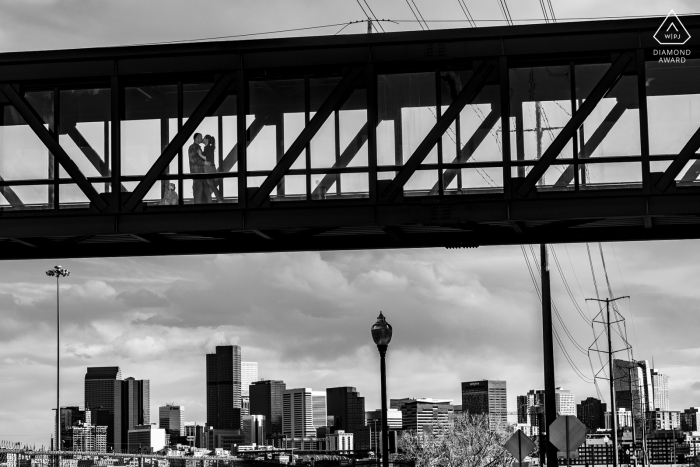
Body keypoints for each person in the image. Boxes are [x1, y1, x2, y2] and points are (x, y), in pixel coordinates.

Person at [188, 133, 211, 203]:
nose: (202, 139)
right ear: (196, 138)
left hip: (200, 172)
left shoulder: (197, 147)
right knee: (199, 191)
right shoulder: (192, 147)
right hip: (197, 172)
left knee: (203, 191)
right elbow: (193, 159)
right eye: (200, 137)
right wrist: (203, 163)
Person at [202, 135, 224, 202]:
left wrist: (200, 154)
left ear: (207, 140)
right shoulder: (208, 148)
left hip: (208, 168)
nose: (202, 139)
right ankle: (218, 200)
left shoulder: (207, 148)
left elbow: (207, 158)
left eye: (204, 138)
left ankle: (219, 200)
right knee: (211, 185)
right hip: (210, 168)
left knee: (212, 185)